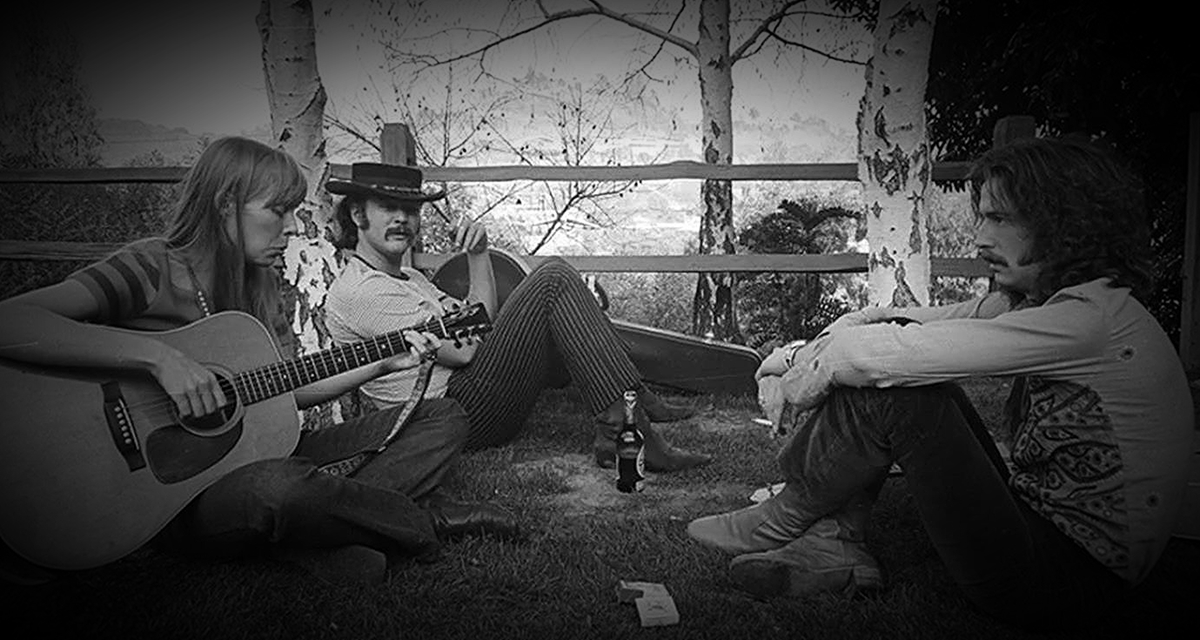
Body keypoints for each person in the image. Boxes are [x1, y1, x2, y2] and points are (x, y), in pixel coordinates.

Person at [686, 136, 1194, 630]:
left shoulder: (1086, 323)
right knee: (894, 365)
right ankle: (832, 540)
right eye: (982, 218)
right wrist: (787, 358)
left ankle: (791, 513)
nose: (980, 238)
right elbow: (891, 323)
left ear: (1066, 224)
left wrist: (792, 379)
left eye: (1001, 219)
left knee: (898, 385)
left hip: (1064, 583)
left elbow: (874, 354)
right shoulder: (1053, 305)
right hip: (1037, 528)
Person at [0, 137, 519, 586]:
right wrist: (157, 358)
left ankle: (318, 532)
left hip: (255, 452)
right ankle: (425, 521)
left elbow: (286, 388)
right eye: (278, 211)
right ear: (226, 205)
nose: (292, 227)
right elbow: (12, 321)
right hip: (179, 497)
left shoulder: (262, 286)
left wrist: (381, 364)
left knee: (441, 416)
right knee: (278, 487)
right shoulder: (150, 267)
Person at [322, 162, 710, 472]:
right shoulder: (362, 290)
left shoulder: (408, 278)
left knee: (558, 291)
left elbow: (475, 320)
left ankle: (633, 403)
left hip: (467, 393)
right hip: (452, 412)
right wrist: (479, 331)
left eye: (410, 210)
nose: (402, 219)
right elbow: (463, 352)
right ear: (357, 214)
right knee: (553, 279)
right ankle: (627, 427)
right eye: (387, 208)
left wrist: (478, 254)